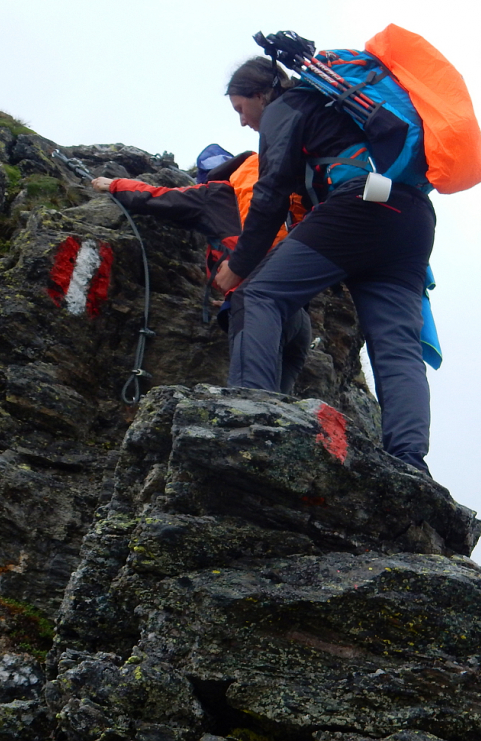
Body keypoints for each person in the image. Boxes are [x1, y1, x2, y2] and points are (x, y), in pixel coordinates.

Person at [214, 56, 436, 474]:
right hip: (413, 218)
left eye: (242, 108)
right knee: (397, 347)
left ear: (262, 95)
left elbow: (271, 188)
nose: (244, 122)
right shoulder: (338, 109)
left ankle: (252, 413)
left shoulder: (288, 105)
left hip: (359, 206)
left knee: (258, 295)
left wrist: (239, 264)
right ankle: (409, 460)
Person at [91, 150, 311, 394]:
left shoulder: (216, 193)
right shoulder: (282, 198)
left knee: (252, 399)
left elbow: (158, 197)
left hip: (257, 307)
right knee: (282, 405)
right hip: (298, 318)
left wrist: (114, 184)